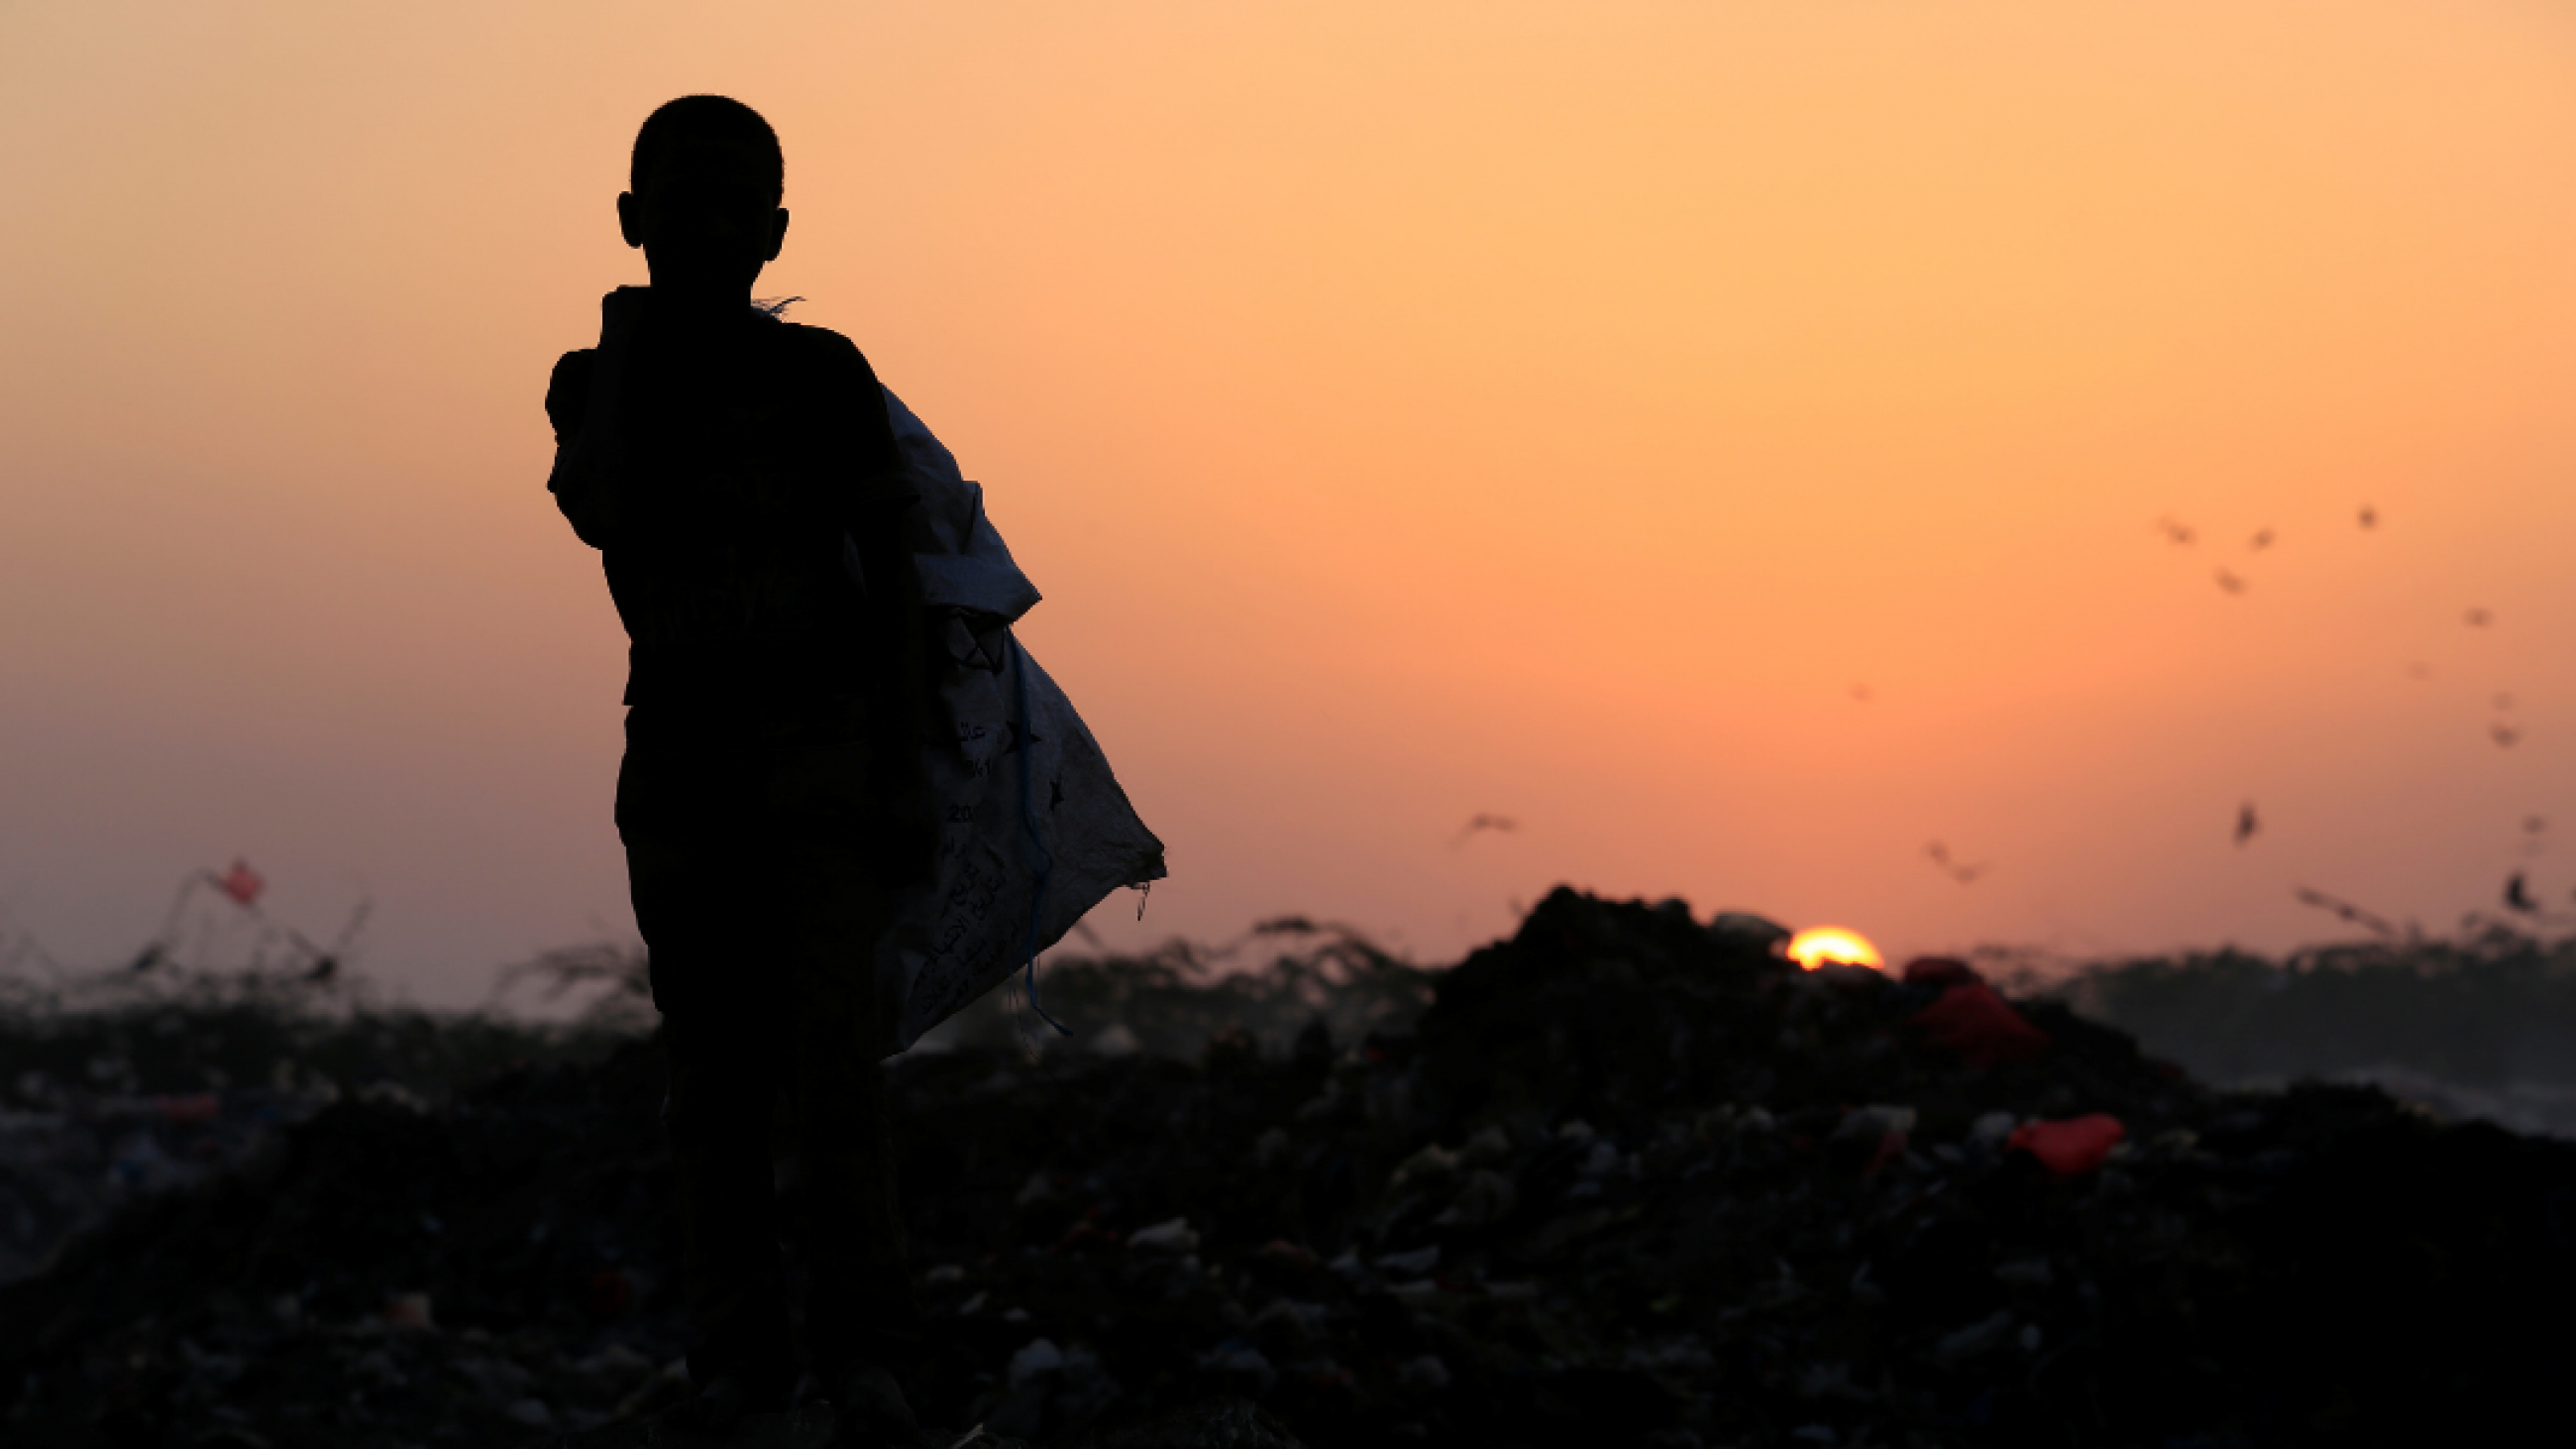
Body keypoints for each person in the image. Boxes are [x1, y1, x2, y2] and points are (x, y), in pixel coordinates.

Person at [542, 94, 933, 1446]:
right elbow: (597, 504)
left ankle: (865, 1359)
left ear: (775, 230)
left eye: (736, 205)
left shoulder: (824, 375)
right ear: (632, 224)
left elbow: (896, 574)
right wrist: (626, 335)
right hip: (687, 769)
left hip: (823, 761)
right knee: (710, 1081)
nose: (710, 231)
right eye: (681, 203)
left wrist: (906, 765)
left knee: (835, 1074)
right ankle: (740, 1368)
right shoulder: (597, 382)